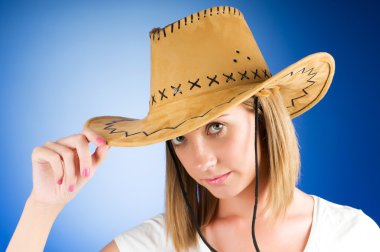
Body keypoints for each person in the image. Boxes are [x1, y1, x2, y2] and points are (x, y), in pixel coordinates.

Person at [7, 6, 380, 252]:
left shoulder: (353, 236)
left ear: (265, 119)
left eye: (216, 126)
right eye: (180, 138)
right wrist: (41, 208)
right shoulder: (154, 245)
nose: (200, 160)